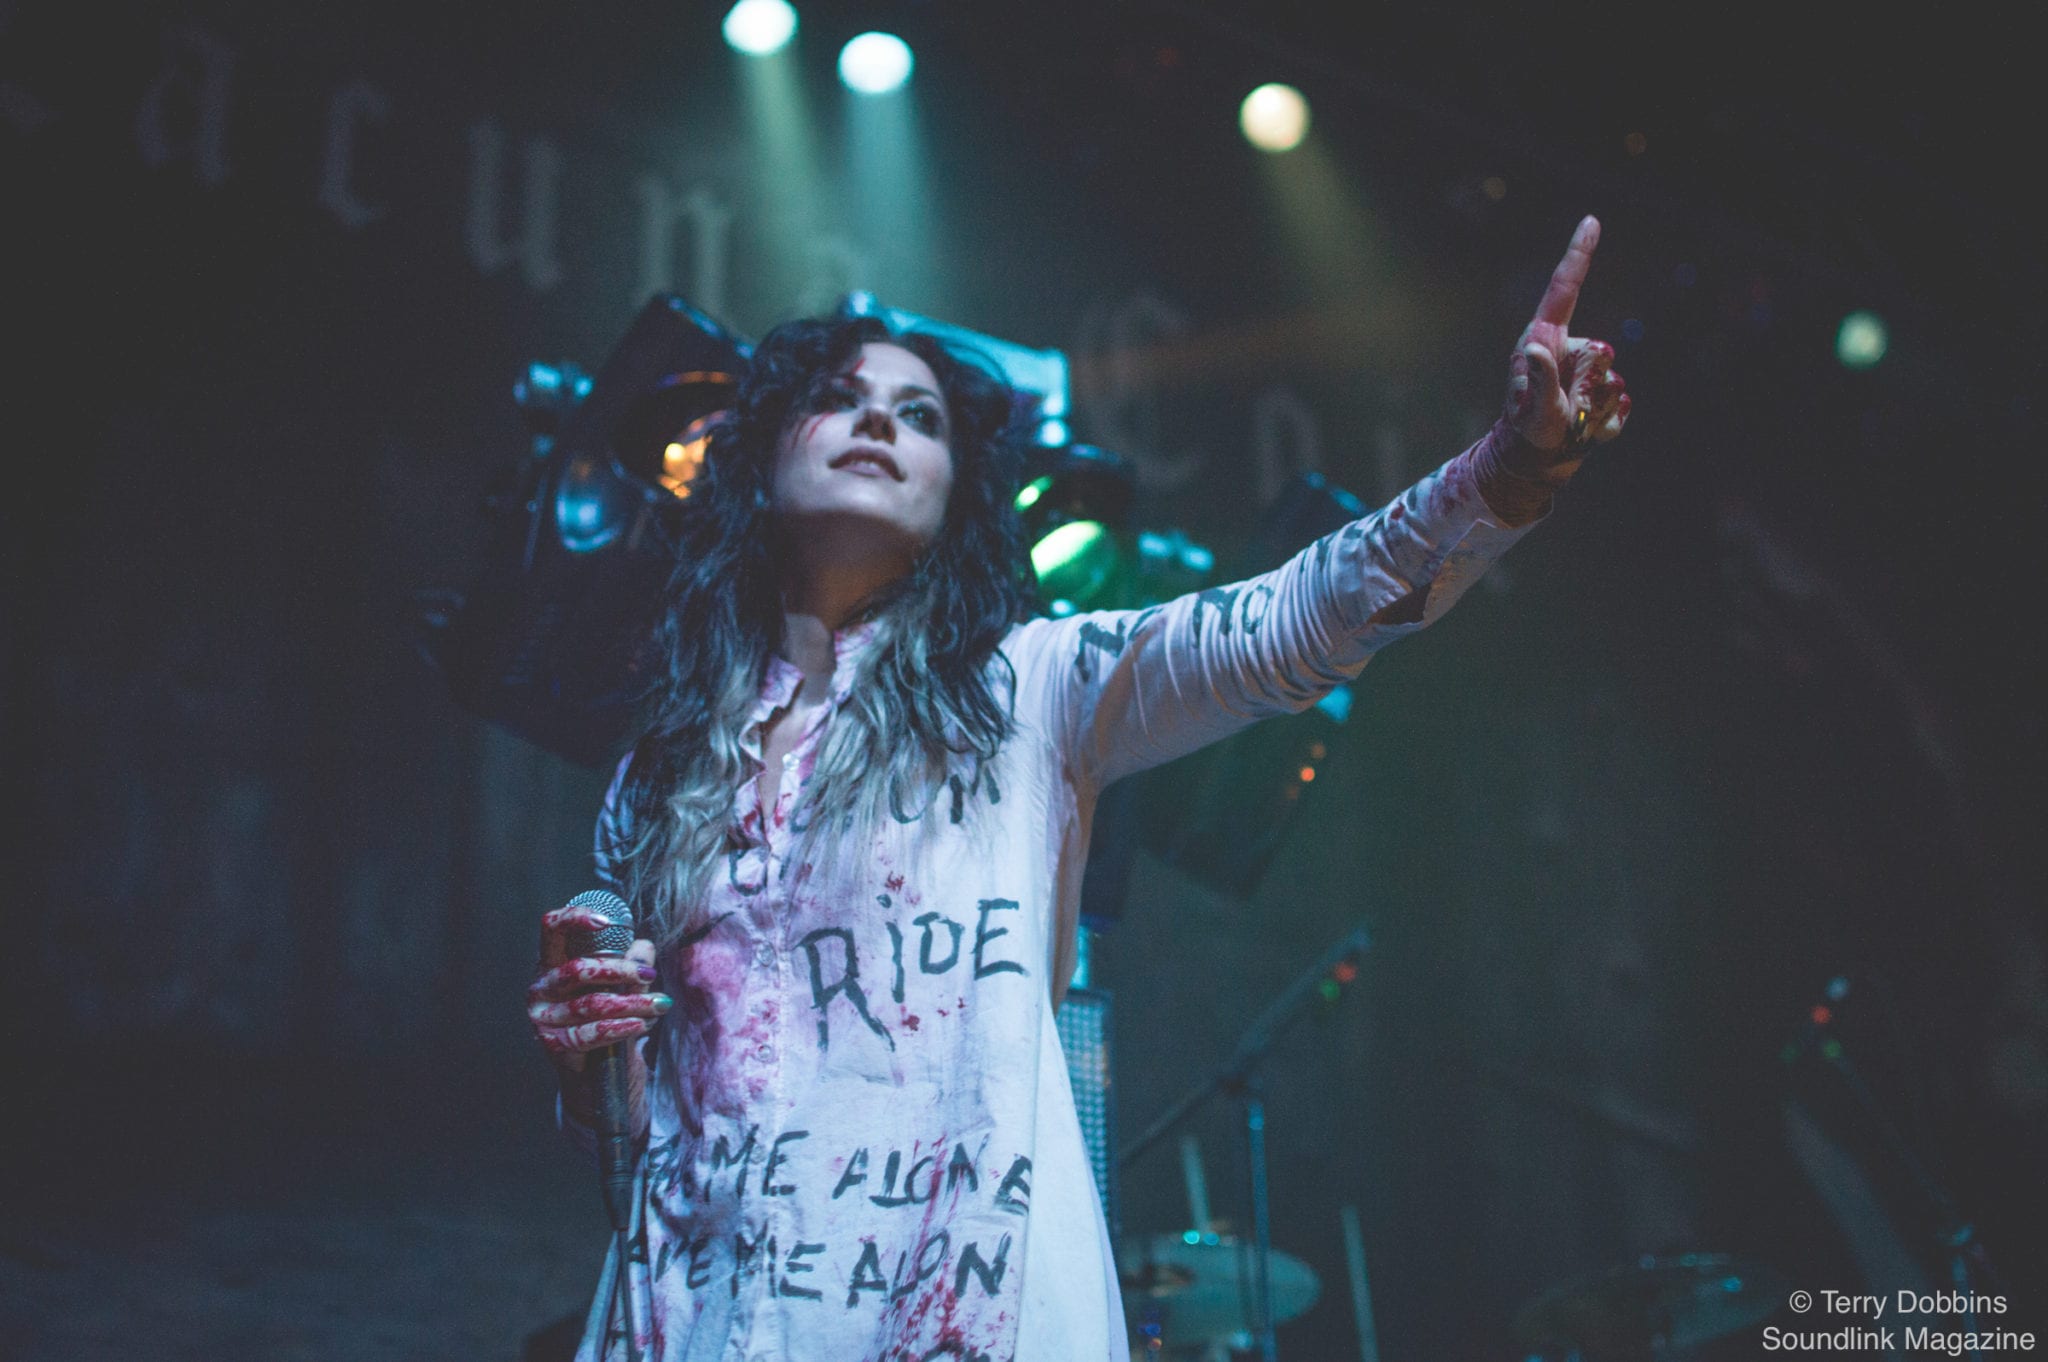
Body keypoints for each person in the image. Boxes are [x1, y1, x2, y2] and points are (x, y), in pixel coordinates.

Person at [526, 216, 1630, 1361]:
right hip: (689, 1318)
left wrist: (1506, 471)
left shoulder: (1030, 688)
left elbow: (1297, 618)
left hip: (945, 1308)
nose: (878, 423)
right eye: (838, 398)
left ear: (955, 500)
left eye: (919, 417)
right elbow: (641, 1130)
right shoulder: (659, 773)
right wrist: (590, 1065)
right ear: (756, 460)